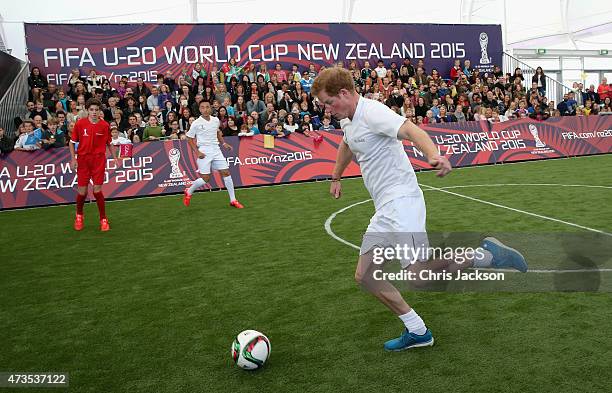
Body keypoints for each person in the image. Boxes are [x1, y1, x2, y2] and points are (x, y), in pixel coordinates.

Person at [311, 67, 527, 352]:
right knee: (365, 276)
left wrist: (433, 155)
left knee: (418, 277)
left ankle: (485, 255)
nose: (328, 110)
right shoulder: (347, 119)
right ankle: (418, 331)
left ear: (344, 93)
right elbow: (348, 144)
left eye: (329, 102)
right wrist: (337, 176)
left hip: (402, 202)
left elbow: (411, 130)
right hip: (385, 209)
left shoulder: (372, 112)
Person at [70, 98, 121, 232]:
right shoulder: (80, 124)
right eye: (91, 110)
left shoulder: (104, 125)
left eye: (96, 110)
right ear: (87, 110)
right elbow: (71, 142)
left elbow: (109, 143)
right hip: (83, 160)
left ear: (100, 111)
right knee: (82, 192)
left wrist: (115, 158)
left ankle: (103, 219)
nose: (94, 112)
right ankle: (79, 215)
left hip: (98, 160)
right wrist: (73, 159)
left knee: (97, 191)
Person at [183, 101, 244, 209]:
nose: (205, 109)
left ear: (210, 109)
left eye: (207, 107)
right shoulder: (196, 123)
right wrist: (197, 152)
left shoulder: (215, 120)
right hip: (204, 151)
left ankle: (233, 200)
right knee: (206, 178)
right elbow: (189, 138)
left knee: (226, 172)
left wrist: (224, 143)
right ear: (200, 109)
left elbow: (217, 133)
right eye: (202, 107)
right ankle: (189, 190)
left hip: (216, 150)